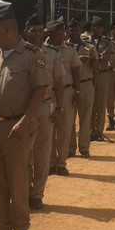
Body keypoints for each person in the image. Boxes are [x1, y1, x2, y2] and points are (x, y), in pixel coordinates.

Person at [0, 5, 50, 230]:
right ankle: (0, 229)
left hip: (17, 127)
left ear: (9, 29)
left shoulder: (32, 55)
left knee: (18, 179)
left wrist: (25, 122)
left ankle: (20, 228)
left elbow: (40, 91)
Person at [23, 16, 63, 207]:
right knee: (23, 153)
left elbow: (59, 82)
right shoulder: (19, 53)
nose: (37, 34)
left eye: (40, 31)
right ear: (26, 32)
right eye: (33, 30)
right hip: (23, 109)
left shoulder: (52, 54)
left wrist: (59, 107)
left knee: (42, 152)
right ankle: (25, 189)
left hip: (45, 107)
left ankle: (37, 194)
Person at [44, 20, 79, 170]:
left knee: (65, 130)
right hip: (48, 94)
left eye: (62, 34)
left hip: (67, 92)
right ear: (49, 34)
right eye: (58, 35)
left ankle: (61, 163)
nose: (62, 37)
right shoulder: (40, 50)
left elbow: (76, 71)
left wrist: (77, 92)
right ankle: (51, 163)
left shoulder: (70, 50)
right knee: (49, 131)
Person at [69, 19, 98, 157]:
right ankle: (70, 148)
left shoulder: (89, 46)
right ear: (68, 31)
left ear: (81, 31)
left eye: (77, 30)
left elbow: (96, 69)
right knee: (69, 119)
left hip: (86, 84)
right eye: (72, 30)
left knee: (85, 118)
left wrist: (93, 59)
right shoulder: (64, 47)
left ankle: (84, 147)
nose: (75, 32)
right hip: (69, 86)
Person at [88, 16, 113, 139]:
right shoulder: (86, 40)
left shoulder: (107, 41)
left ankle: (99, 131)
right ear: (92, 28)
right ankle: (90, 129)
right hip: (89, 74)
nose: (99, 30)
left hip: (102, 74)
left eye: (101, 28)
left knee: (101, 103)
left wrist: (99, 56)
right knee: (90, 104)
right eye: (97, 27)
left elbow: (109, 56)